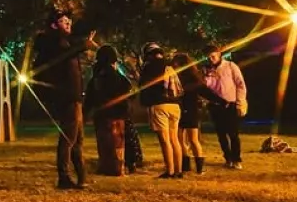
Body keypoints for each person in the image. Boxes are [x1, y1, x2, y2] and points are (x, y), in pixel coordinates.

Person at [32, 9, 98, 189]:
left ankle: (82, 177)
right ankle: (64, 177)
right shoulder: (53, 42)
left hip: (74, 96)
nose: (68, 23)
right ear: (54, 25)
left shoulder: (64, 42)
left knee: (77, 139)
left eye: (69, 20)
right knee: (69, 138)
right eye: (63, 21)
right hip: (67, 97)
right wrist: (85, 44)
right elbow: (64, 54)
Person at [85, 45, 132, 176]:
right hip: (118, 114)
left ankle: (106, 166)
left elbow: (90, 96)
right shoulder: (117, 76)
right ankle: (118, 167)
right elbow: (128, 90)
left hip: (102, 114)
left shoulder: (97, 77)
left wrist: (86, 112)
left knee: (104, 142)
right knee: (117, 142)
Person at [138, 43, 183, 179]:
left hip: (159, 106)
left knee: (165, 140)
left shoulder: (149, 67)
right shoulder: (170, 66)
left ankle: (169, 171)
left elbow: (143, 86)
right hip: (175, 106)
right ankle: (178, 170)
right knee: (174, 139)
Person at [203, 43, 247, 170]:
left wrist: (240, 102)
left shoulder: (230, 66)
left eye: (213, 56)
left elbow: (240, 84)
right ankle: (228, 158)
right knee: (221, 134)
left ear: (219, 55)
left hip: (230, 104)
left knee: (233, 133)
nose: (211, 59)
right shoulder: (206, 70)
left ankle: (237, 159)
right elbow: (205, 88)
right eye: (208, 57)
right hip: (215, 106)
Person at [172, 53, 212, 175]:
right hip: (181, 109)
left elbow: (205, 91)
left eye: (176, 63)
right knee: (180, 139)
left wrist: (220, 101)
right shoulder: (179, 77)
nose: (174, 65)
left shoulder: (190, 78)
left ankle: (198, 167)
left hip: (189, 109)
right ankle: (186, 165)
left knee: (193, 139)